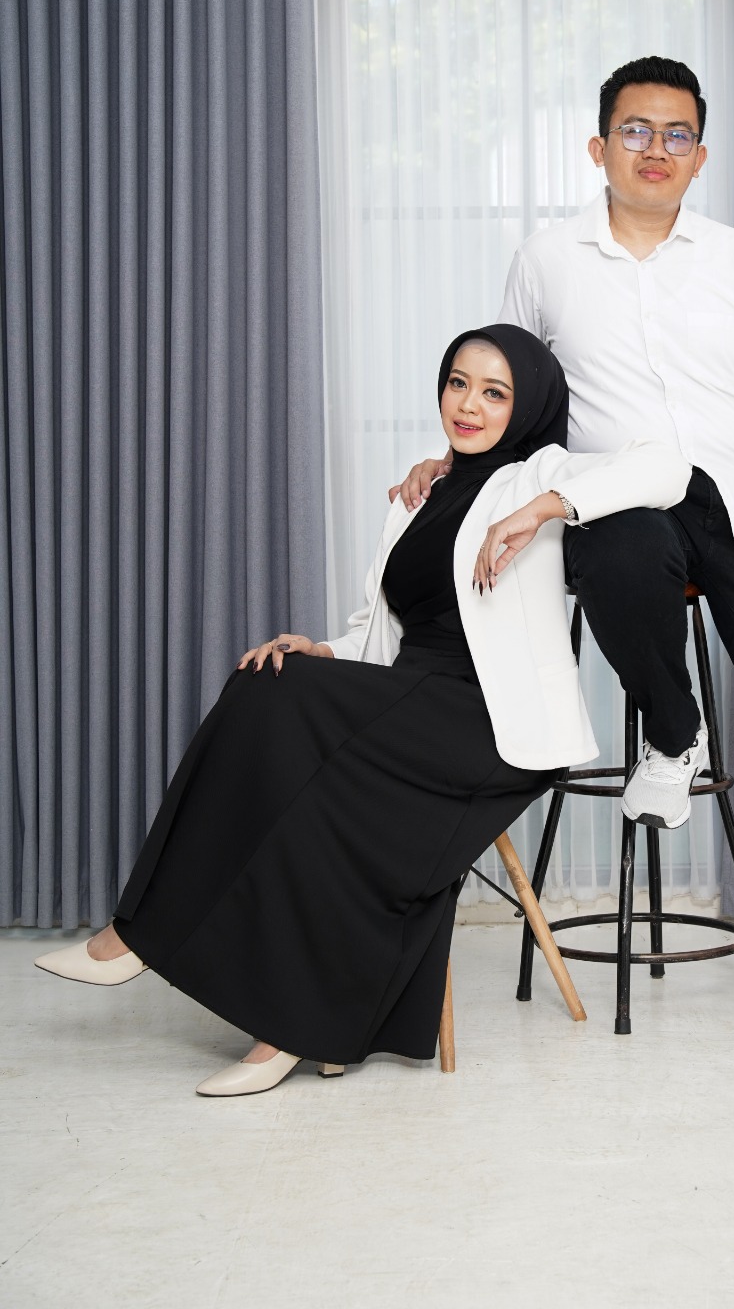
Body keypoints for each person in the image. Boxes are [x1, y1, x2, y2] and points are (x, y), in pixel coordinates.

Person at [395, 59, 734, 1044]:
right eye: (635, 130)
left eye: (676, 134)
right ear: (598, 146)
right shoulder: (546, 260)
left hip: (733, 520)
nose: (655, 149)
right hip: (618, 517)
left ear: (699, 154)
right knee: (620, 541)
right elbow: (512, 394)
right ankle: (671, 729)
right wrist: (450, 461)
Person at [34, 324, 692, 1094]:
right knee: (268, 679)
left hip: (488, 721)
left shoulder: (539, 473)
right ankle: (182, 958)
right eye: (458, 383)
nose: (468, 405)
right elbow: (384, 632)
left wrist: (543, 509)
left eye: (494, 392)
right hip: (409, 698)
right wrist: (324, 649)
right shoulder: (419, 495)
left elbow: (669, 466)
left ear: (527, 406)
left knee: (298, 744)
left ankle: (172, 956)